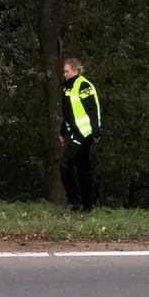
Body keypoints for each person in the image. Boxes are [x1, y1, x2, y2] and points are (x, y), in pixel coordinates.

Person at [59, 57, 101, 212]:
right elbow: (68, 113)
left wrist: (96, 133)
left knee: (65, 162)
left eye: (67, 71)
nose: (64, 74)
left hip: (84, 133)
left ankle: (74, 200)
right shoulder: (69, 87)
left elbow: (92, 110)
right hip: (74, 131)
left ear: (76, 71)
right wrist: (62, 131)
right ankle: (87, 205)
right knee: (83, 168)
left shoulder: (84, 85)